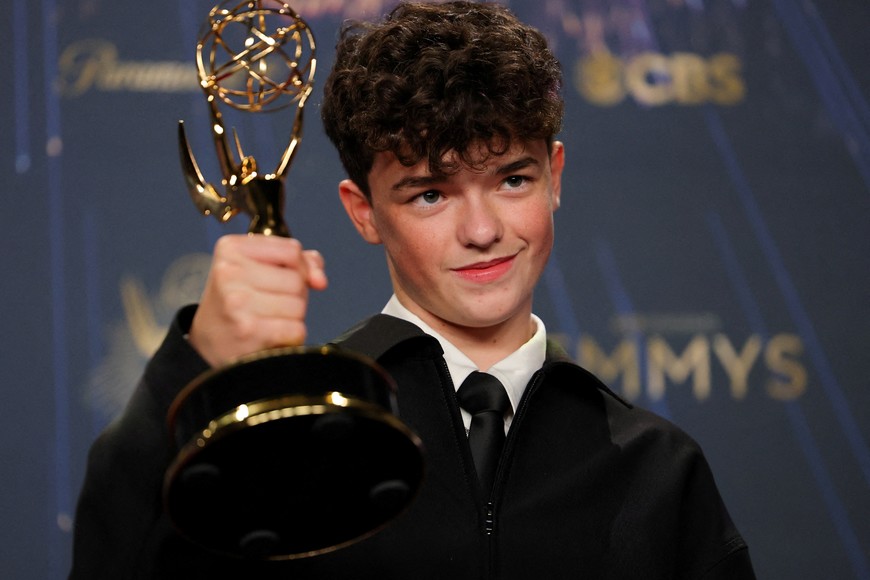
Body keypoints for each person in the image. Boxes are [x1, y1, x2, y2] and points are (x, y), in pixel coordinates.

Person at [70, 2, 756, 578]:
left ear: (556, 176)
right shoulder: (288, 441)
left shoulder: (660, 469)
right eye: (431, 194)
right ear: (363, 211)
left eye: (512, 179)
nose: (482, 230)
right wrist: (190, 367)